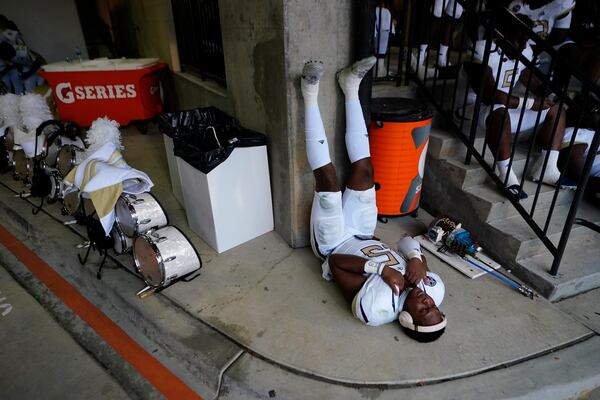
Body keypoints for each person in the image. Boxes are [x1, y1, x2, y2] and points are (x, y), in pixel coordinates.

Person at [300, 57, 447, 341]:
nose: (427, 302)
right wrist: (417, 259)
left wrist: (381, 270)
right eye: (434, 307)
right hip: (365, 232)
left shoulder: (377, 308)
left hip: (334, 244)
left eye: (423, 310)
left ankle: (309, 91)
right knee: (366, 171)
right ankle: (350, 87)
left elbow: (335, 265)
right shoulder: (431, 288)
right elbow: (406, 241)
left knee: (328, 180)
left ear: (406, 318)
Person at [455, 13, 572, 199]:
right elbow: (488, 94)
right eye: (520, 39)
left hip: (500, 109)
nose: (525, 45)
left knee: (555, 110)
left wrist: (550, 93)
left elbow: (529, 80)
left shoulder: (524, 51)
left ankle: (548, 168)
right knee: (499, 111)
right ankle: (507, 176)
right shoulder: (481, 49)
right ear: (502, 34)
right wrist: (532, 103)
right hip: (469, 111)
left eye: (526, 39)